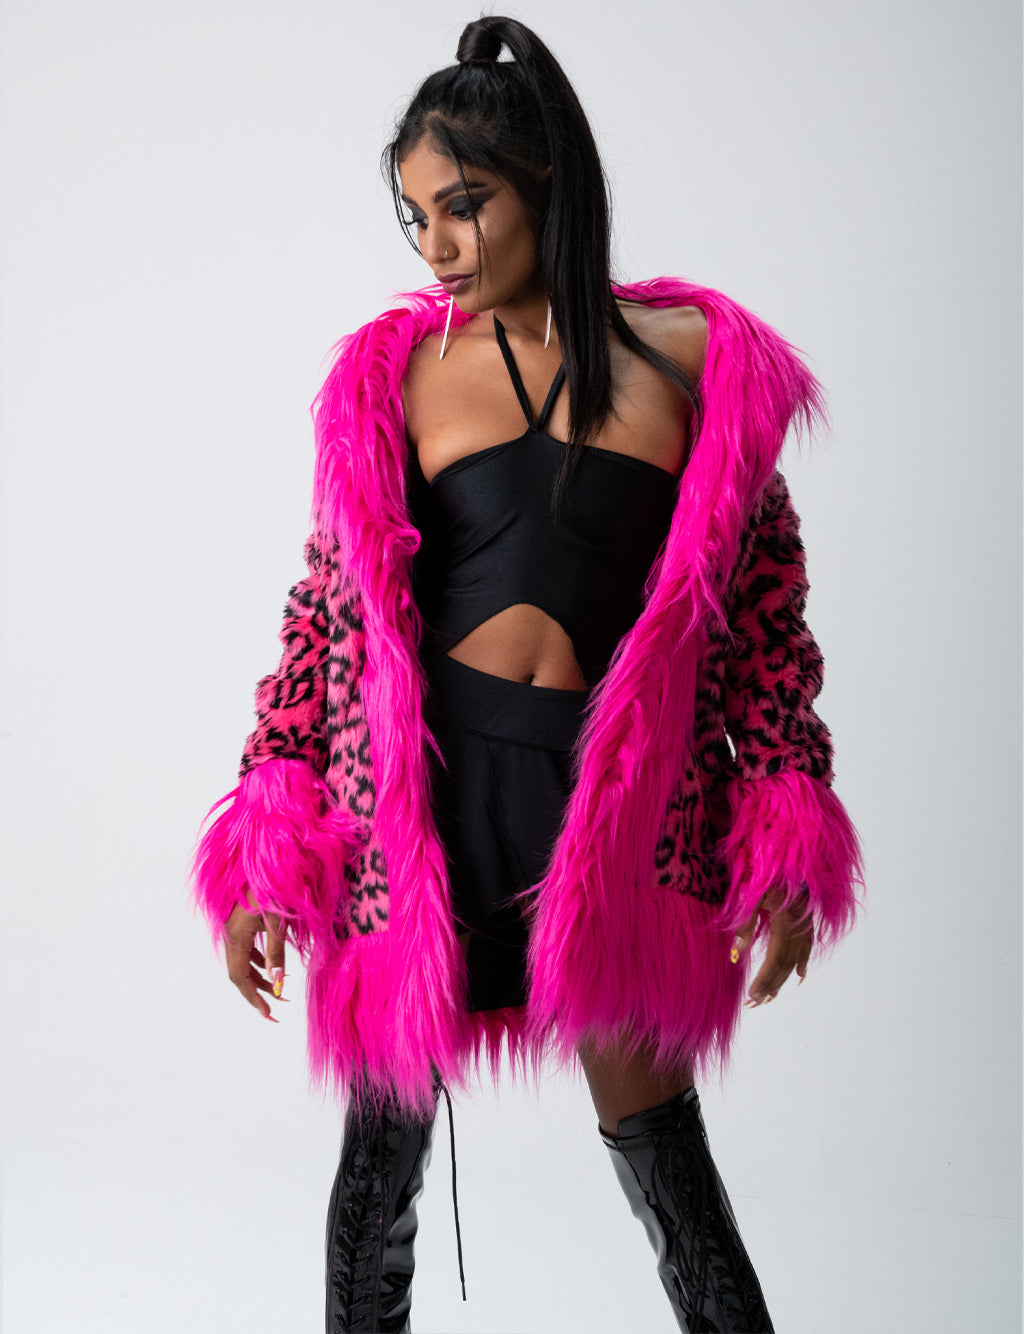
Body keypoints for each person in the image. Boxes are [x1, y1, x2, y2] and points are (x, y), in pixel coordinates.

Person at [192, 16, 862, 1333]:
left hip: (615, 812)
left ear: (544, 182)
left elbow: (765, 628)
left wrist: (784, 827)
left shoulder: (696, 366)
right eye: (415, 217)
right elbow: (326, 623)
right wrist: (271, 839)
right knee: (380, 1165)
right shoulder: (402, 376)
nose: (436, 248)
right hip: (427, 809)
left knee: (666, 1155)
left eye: (464, 206)